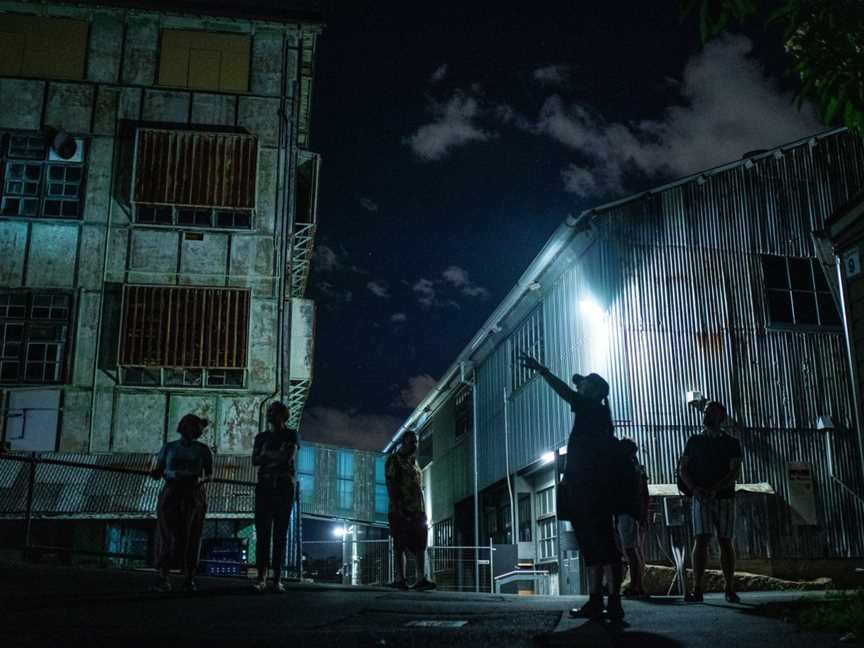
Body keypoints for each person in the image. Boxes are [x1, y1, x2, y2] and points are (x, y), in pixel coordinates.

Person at [519, 354, 624, 620]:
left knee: (599, 543)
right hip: (588, 487)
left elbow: (564, 391)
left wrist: (542, 370)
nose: (579, 386)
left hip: (590, 489)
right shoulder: (598, 414)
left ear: (596, 391)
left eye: (585, 383)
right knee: (597, 543)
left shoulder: (592, 409)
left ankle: (607, 601)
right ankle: (603, 601)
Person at [677, 400, 742, 603]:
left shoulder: (731, 443)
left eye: (711, 412)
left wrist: (715, 489)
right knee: (701, 540)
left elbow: (734, 473)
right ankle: (698, 588)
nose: (706, 414)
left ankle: (729, 587)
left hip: (723, 498)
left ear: (721, 416)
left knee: (725, 540)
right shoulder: (694, 441)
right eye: (705, 411)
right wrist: (695, 489)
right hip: (701, 497)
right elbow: (682, 468)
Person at [150, 413, 213, 593]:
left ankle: (185, 577)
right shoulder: (170, 448)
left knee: (191, 534)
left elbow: (209, 474)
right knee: (167, 534)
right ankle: (167, 576)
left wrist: (199, 478)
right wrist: (157, 473)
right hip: (174, 491)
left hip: (191, 492)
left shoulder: (201, 450)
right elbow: (159, 469)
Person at [252, 401, 300, 593]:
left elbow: (287, 457)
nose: (270, 414)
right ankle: (262, 578)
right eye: (269, 411)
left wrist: (266, 455)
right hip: (264, 486)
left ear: (283, 416)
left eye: (274, 412)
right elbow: (254, 460)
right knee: (263, 533)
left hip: (283, 486)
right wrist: (275, 455)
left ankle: (276, 579)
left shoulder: (291, 434)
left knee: (280, 533)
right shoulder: (261, 436)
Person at [385, 430, 435, 591]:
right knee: (400, 544)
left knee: (420, 543)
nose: (415, 445)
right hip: (401, 509)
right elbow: (391, 485)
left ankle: (421, 578)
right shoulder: (394, 460)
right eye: (411, 442)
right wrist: (397, 507)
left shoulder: (413, 462)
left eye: (416, 442)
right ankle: (400, 578)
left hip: (417, 510)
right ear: (403, 443)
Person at [615, 439, 650, 598]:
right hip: (634, 512)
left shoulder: (626, 468)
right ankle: (639, 585)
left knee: (630, 550)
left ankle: (636, 586)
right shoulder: (637, 468)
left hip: (626, 512)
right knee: (634, 549)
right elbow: (645, 494)